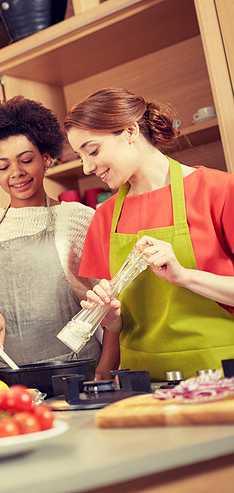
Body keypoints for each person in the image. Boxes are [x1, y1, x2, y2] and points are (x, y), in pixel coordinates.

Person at [65, 88, 234, 381]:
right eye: (81, 156)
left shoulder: (219, 190)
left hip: (221, 375)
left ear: (130, 131)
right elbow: (113, 331)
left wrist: (183, 275)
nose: (87, 166)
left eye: (92, 151)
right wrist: (103, 374)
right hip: (141, 384)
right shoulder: (104, 218)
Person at [0, 96, 107, 369]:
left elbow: (110, 305)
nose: (16, 173)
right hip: (13, 378)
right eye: (3, 167)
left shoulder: (76, 217)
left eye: (26, 160)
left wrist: (106, 372)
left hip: (79, 370)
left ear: (46, 158)